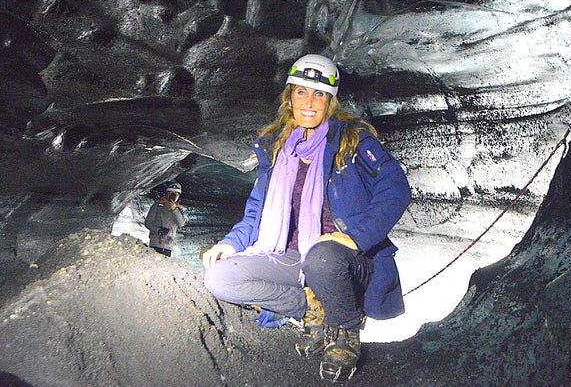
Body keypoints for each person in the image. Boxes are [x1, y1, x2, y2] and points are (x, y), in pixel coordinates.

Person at [202, 54, 411, 382]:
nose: (309, 102)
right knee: (220, 278)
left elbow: (396, 188)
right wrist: (232, 243)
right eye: (301, 92)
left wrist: (355, 237)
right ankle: (310, 307)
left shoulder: (352, 139)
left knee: (323, 257)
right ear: (290, 97)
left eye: (319, 94)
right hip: (293, 257)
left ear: (330, 100)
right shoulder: (278, 148)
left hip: (348, 260)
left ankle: (344, 334)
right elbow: (256, 210)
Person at [144, 180, 186, 257]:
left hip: (168, 246)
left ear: (178, 196)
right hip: (155, 244)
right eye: (171, 193)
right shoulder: (157, 206)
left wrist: (175, 210)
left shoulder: (179, 210)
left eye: (176, 194)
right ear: (167, 193)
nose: (173, 196)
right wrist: (158, 230)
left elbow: (182, 224)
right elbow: (148, 223)